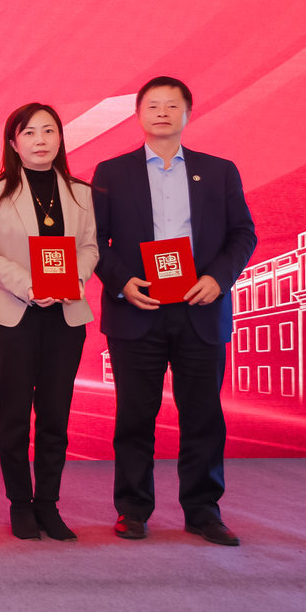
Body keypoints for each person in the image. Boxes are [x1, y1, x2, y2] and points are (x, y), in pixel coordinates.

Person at [92, 76, 255, 546]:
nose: (162, 112)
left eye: (172, 105)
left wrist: (218, 279)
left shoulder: (218, 171)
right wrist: (122, 282)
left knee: (203, 415)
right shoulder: (112, 172)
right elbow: (95, 240)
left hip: (199, 307)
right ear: (138, 115)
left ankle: (203, 511)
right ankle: (132, 509)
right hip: (137, 307)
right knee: (134, 415)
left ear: (188, 113)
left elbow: (243, 234)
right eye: (153, 105)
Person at [0, 102, 97, 542]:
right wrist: (29, 285)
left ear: (60, 137)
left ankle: (48, 504)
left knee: (55, 416)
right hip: (13, 315)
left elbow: (91, 247)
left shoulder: (80, 193)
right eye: (29, 132)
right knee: (14, 414)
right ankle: (20, 504)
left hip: (65, 317)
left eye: (48, 131)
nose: (40, 140)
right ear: (13, 142)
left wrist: (74, 278)